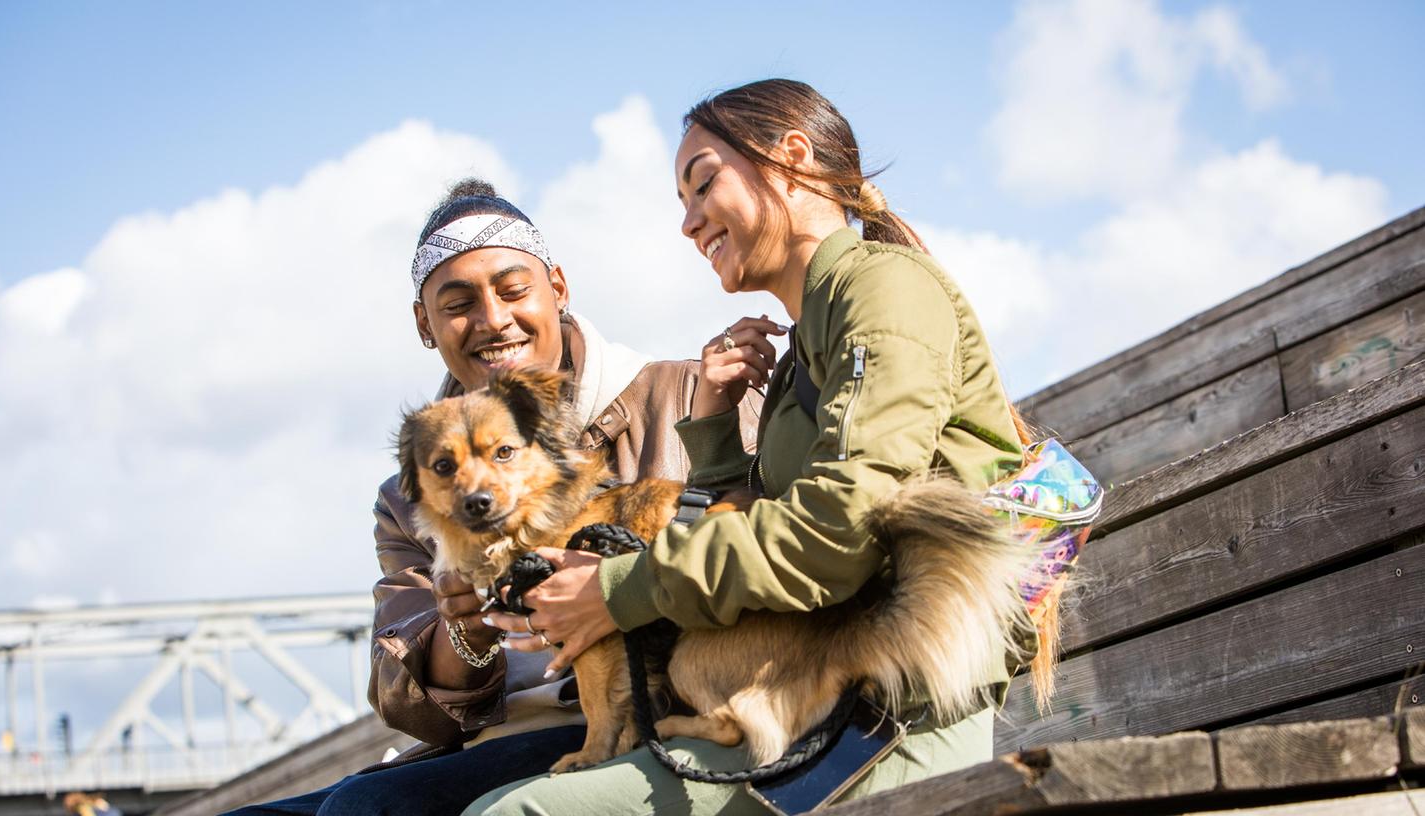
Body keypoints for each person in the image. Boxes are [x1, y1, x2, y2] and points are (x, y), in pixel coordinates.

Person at [471, 79, 1038, 815]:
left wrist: (617, 593)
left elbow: (837, 530)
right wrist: (713, 437)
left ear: (790, 160)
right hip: (811, 701)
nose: (686, 222)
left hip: (890, 717)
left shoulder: (884, 291)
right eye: (681, 200)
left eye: (702, 183)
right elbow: (769, 539)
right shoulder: (805, 344)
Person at [226, 179, 760, 815]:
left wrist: (616, 585)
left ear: (557, 288)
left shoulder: (686, 394)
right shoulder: (415, 489)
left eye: (513, 290)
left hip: (645, 717)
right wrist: (463, 628)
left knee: (365, 811)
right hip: (494, 741)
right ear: (425, 325)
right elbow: (407, 699)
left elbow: (765, 543)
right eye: (458, 304)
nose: (492, 319)